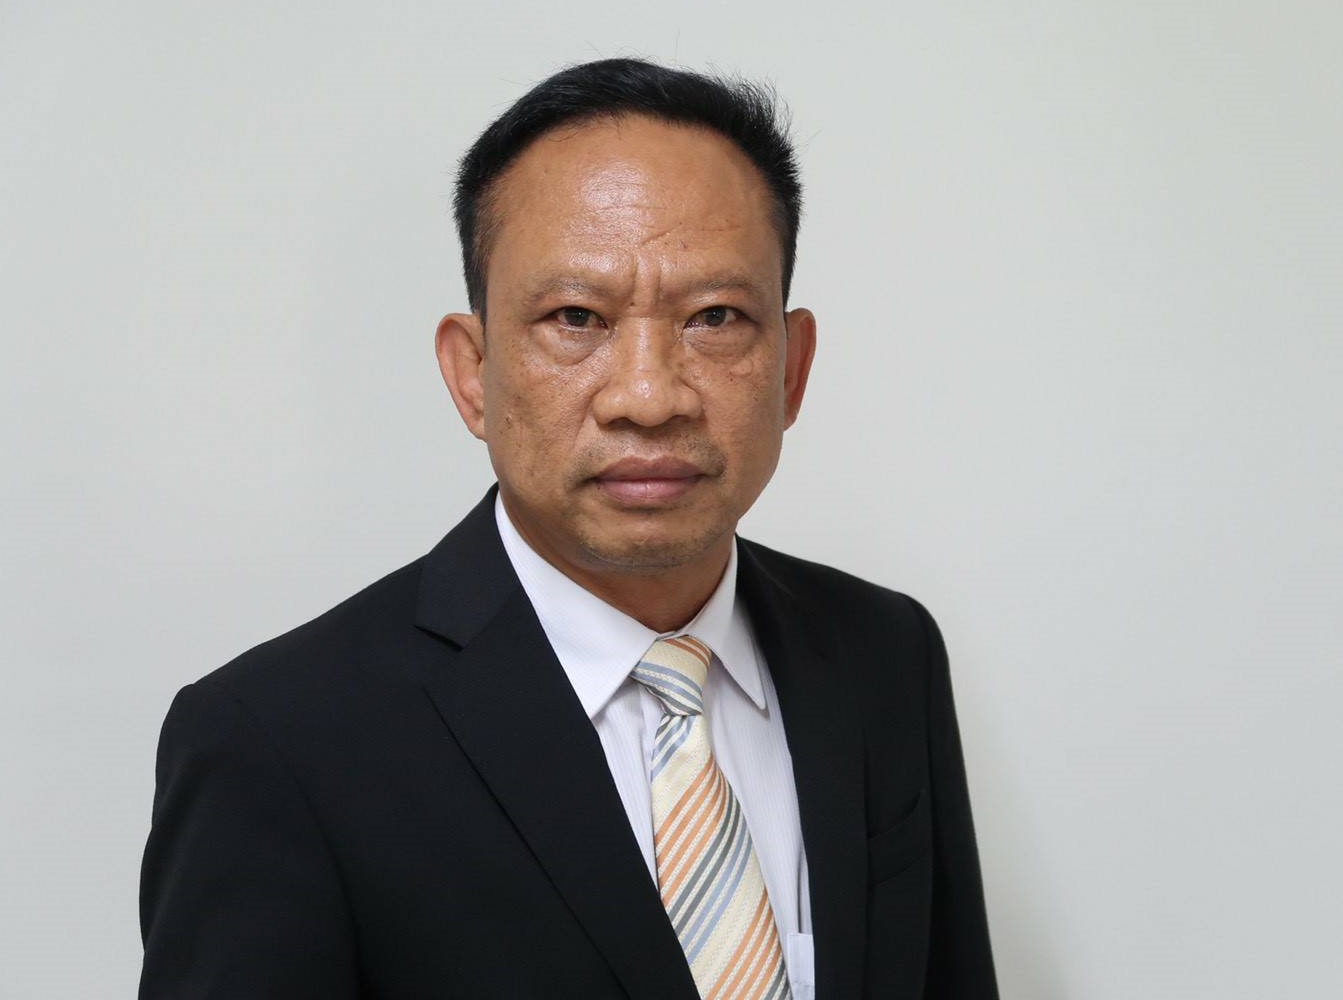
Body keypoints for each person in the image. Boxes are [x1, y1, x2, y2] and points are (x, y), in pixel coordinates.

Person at [139, 58, 999, 999]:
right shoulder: (277, 742)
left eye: (715, 317)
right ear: (473, 374)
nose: (650, 397)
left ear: (792, 370)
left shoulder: (885, 654)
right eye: (576, 317)